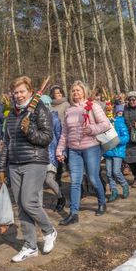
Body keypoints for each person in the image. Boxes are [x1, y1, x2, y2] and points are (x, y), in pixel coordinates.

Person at [0, 77, 56, 261]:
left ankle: (49, 230)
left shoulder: (40, 109)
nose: (19, 95)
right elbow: (7, 143)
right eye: (15, 92)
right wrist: (1, 167)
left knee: (29, 202)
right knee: (22, 207)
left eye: (22, 91)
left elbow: (47, 137)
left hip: (34, 161)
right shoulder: (12, 114)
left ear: (30, 92)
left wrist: (29, 131)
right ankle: (30, 246)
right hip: (14, 164)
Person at [56, 81, 111, 226]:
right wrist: (60, 149)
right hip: (73, 150)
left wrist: (92, 129)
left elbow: (106, 124)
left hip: (91, 148)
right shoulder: (69, 110)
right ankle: (73, 213)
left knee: (93, 178)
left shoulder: (92, 106)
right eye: (73, 90)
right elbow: (64, 133)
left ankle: (102, 202)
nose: (75, 93)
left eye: (78, 90)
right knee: (75, 181)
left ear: (84, 92)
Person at [40, 95, 66, 212]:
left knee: (48, 179)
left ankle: (61, 198)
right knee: (38, 181)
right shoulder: (36, 116)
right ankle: (38, 207)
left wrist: (61, 152)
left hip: (51, 152)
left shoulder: (54, 118)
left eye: (45, 104)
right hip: (38, 153)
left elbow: (60, 135)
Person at [103, 104, 130, 202]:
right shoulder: (106, 122)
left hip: (118, 150)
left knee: (116, 171)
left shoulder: (120, 122)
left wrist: (117, 140)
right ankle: (114, 190)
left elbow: (126, 137)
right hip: (108, 150)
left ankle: (125, 185)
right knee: (109, 172)